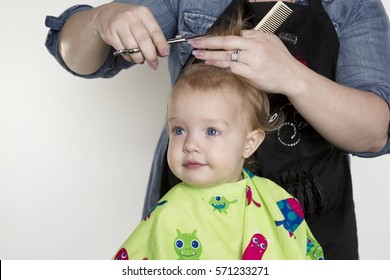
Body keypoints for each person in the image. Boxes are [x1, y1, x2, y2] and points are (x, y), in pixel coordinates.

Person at [45, 0, 390, 259]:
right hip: (190, 220)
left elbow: (375, 133)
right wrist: (100, 20)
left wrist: (292, 76)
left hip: (311, 216)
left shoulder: (352, 6)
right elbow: (79, 56)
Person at [112, 62, 323, 260]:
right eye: (179, 130)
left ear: (249, 143)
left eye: (211, 131)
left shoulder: (277, 202)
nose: (190, 144)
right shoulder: (167, 216)